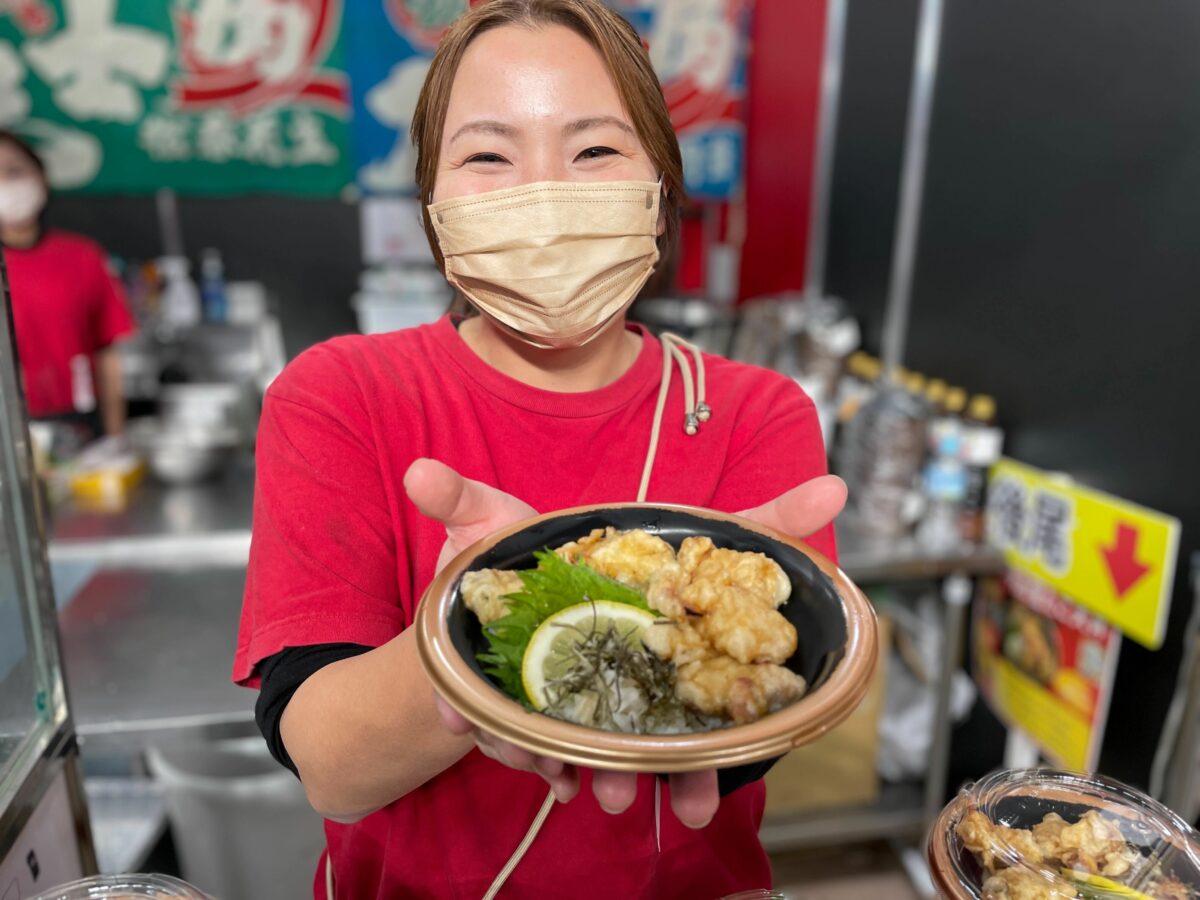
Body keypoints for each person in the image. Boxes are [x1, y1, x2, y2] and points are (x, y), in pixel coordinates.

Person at [233, 1, 847, 897]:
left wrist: (722, 638)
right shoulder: (341, 394)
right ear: (432, 203)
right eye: (487, 154)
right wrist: (484, 613)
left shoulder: (752, 412)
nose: (545, 194)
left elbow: (764, 738)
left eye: (595, 150)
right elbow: (329, 764)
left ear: (659, 182)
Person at [0, 131, 135, 437]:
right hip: (9, 429)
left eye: (14, 171)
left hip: (81, 422)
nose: (5, 184)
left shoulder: (82, 256)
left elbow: (109, 354)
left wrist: (115, 436)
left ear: (41, 177)